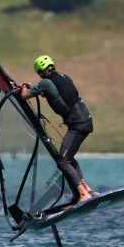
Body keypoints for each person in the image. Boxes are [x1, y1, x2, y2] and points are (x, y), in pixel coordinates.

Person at [16, 55, 95, 203]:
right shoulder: (64, 77)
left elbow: (25, 95)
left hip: (78, 124)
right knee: (68, 156)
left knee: (63, 161)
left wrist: (24, 88)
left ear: (40, 71)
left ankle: (83, 194)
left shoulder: (46, 83)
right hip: (85, 120)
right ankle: (86, 189)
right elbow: (61, 95)